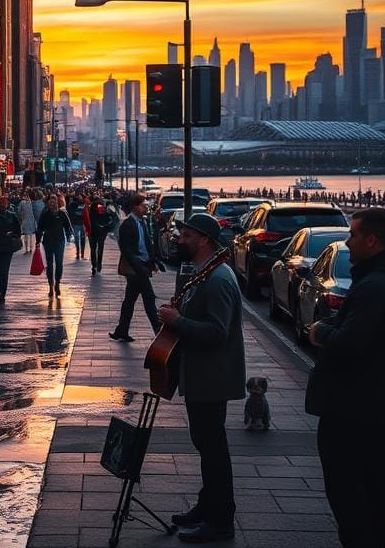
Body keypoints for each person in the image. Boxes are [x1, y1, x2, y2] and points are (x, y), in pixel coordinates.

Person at [305, 208, 385, 548]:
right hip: (377, 397)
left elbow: (349, 342)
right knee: (372, 483)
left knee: (346, 488)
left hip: (351, 403)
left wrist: (319, 331)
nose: (347, 240)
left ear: (372, 240)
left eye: (353, 234)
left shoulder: (374, 286)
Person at [156, 214, 244, 544]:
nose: (179, 240)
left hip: (212, 377)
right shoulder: (207, 273)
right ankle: (208, 507)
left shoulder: (219, 279)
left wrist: (178, 321)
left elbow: (217, 333)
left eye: (187, 235)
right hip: (202, 376)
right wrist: (174, 318)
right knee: (207, 446)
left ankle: (220, 521)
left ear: (204, 239)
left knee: (213, 450)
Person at [110, 193, 162, 341]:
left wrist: (155, 261)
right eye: (143, 205)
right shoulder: (127, 225)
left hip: (143, 266)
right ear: (135, 207)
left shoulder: (142, 222)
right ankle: (158, 331)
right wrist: (140, 268)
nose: (146, 207)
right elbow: (127, 251)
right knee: (149, 298)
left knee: (130, 299)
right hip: (135, 269)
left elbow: (147, 244)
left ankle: (121, 330)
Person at [36, 195, 74, 298]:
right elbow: (39, 228)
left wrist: (69, 234)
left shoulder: (62, 214)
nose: (52, 204)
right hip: (48, 242)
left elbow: (68, 226)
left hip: (59, 241)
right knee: (49, 264)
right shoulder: (45, 214)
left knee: (59, 263)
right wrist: (37, 241)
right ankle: (50, 285)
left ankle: (57, 283)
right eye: (50, 202)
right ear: (48, 204)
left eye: (54, 202)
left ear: (57, 203)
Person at [85, 195, 116, 276]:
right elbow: (104, 218)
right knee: (100, 248)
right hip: (101, 232)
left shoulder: (90, 208)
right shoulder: (100, 207)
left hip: (92, 232)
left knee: (93, 249)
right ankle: (98, 265)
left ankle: (94, 266)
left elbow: (89, 219)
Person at [67, 193, 88, 261]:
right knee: (82, 239)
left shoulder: (71, 205)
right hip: (81, 223)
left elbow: (70, 214)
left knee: (77, 238)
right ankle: (81, 254)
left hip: (76, 223)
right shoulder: (82, 204)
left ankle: (78, 253)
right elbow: (84, 214)